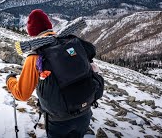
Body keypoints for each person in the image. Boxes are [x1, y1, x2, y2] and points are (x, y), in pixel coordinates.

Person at [6, 9, 98, 138]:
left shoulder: (35, 56)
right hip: (85, 110)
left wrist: (10, 80)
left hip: (59, 119)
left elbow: (22, 94)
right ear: (49, 26)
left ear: (31, 32)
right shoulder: (70, 41)